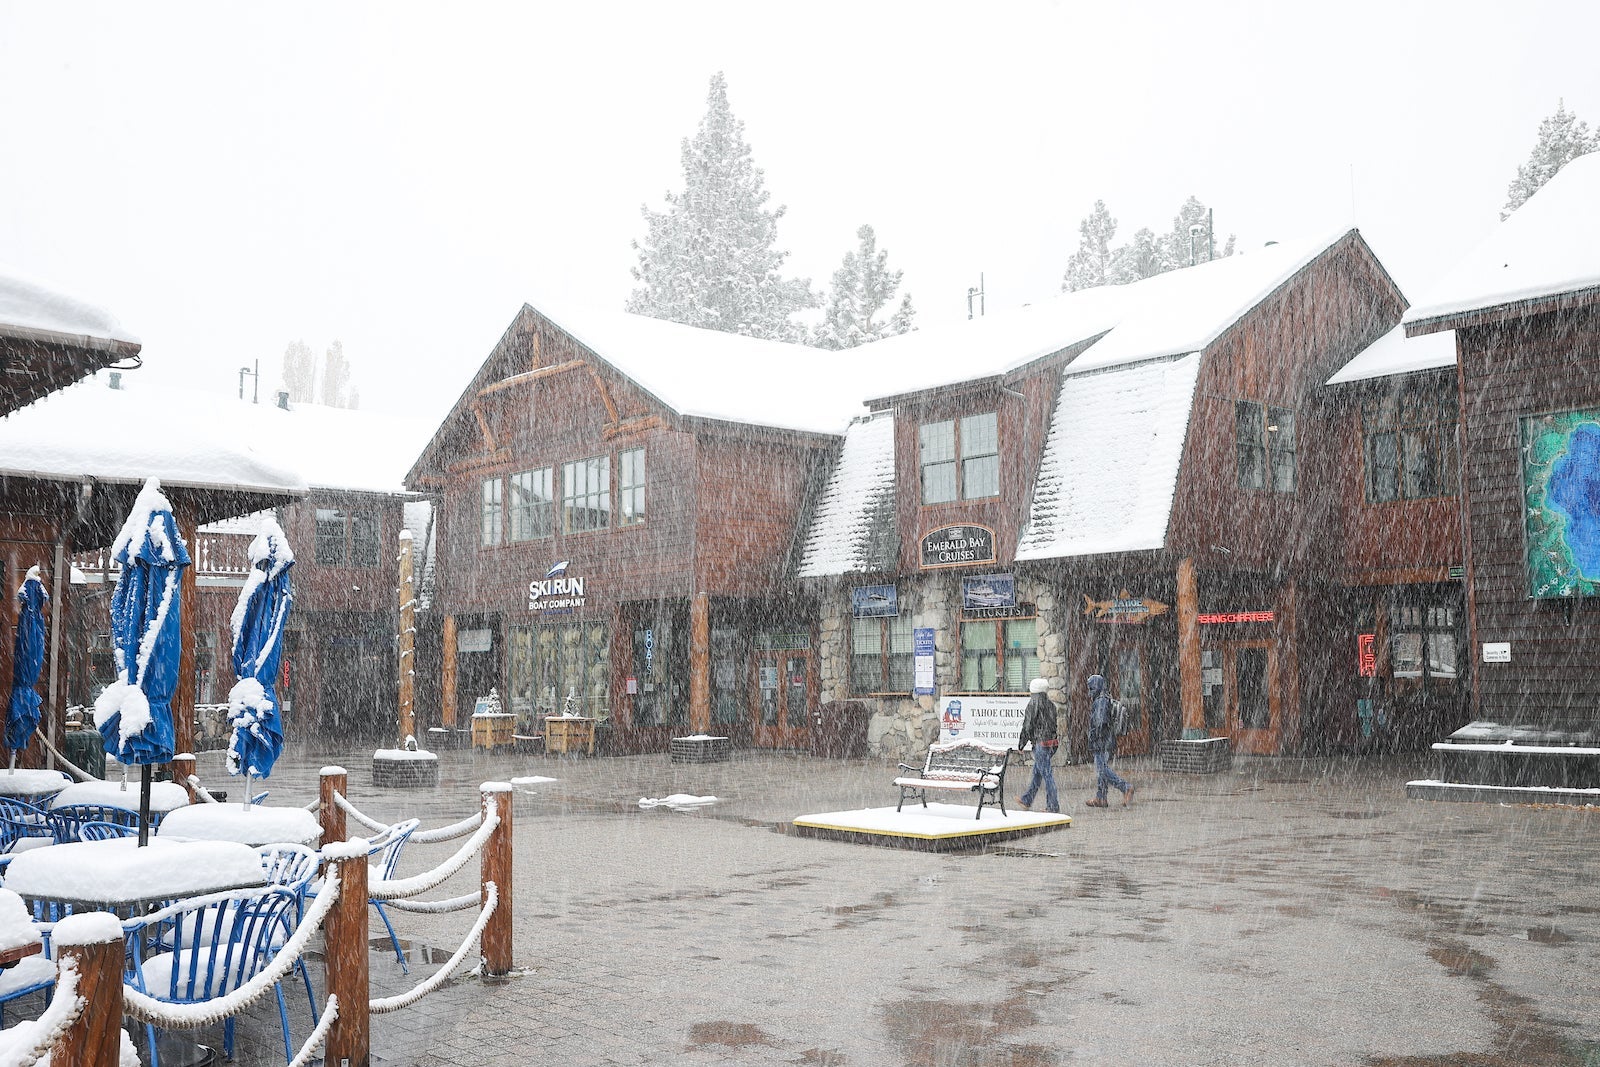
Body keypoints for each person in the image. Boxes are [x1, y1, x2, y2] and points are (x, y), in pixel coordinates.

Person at [1086, 674, 1133, 808]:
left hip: (1102, 741)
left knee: (1103, 770)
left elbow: (1100, 722)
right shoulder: (1104, 698)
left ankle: (1126, 787)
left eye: (1091, 687)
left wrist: (1095, 737)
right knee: (1102, 770)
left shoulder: (1100, 701)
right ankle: (1101, 798)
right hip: (1105, 740)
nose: (1089, 691)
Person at [1014, 677, 1059, 812]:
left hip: (1041, 743)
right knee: (1037, 773)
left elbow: (1028, 726)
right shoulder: (1051, 704)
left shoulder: (1033, 703)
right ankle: (1027, 799)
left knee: (1046, 775)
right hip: (1052, 743)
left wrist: (1021, 744)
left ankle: (1053, 806)